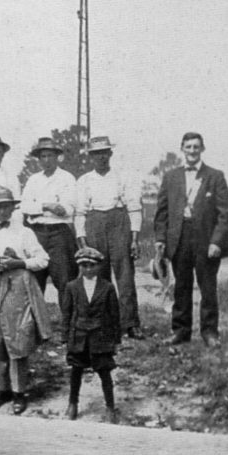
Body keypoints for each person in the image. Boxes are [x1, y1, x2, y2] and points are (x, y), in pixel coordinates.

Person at [0, 187, 51, 415]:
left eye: (6, 206)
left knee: (17, 335)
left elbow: (43, 259)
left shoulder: (24, 232)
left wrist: (18, 263)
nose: (2, 210)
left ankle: (19, 391)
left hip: (17, 284)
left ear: (12, 207)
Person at [153, 131, 228, 347]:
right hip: (178, 238)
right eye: (188, 147)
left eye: (196, 147)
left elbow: (226, 212)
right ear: (182, 149)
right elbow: (162, 211)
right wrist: (161, 239)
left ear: (202, 149)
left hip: (206, 240)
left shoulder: (215, 176)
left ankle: (209, 333)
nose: (191, 151)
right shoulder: (171, 177)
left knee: (207, 287)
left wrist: (216, 241)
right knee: (181, 286)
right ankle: (180, 331)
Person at [74, 136, 145, 340]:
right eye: (96, 153)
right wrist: (82, 240)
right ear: (91, 157)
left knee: (125, 276)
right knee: (98, 275)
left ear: (110, 154)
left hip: (118, 222)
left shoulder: (123, 177)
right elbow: (80, 212)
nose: (101, 157)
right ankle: (103, 324)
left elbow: (134, 207)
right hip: (94, 222)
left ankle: (130, 323)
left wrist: (134, 238)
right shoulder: (84, 180)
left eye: (104, 152)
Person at [60, 247, 121, 423]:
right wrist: (65, 337)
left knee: (104, 372)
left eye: (91, 265)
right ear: (79, 267)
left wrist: (116, 340)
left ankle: (110, 407)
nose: (88, 269)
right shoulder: (72, 287)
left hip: (100, 337)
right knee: (76, 371)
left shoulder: (107, 287)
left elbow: (114, 315)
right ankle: (73, 404)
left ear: (99, 266)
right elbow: (67, 313)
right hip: (78, 336)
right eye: (84, 265)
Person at [21, 137, 79, 298]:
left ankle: (67, 322)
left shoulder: (67, 178)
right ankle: (36, 322)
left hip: (58, 233)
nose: (46, 160)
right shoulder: (33, 180)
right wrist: (47, 206)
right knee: (35, 279)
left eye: (50, 156)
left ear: (57, 157)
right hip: (37, 232)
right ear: (38, 159)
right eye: (43, 156)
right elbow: (24, 206)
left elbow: (66, 209)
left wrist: (37, 207)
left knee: (64, 279)